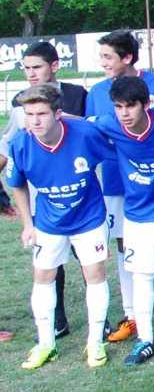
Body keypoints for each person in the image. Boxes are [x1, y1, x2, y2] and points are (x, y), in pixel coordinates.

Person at [8, 84, 114, 369]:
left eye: (41, 114)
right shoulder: (20, 143)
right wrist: (27, 224)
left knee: (95, 274)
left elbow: (117, 150)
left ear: (58, 114)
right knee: (42, 276)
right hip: (49, 221)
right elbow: (17, 184)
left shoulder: (85, 134)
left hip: (89, 217)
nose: (35, 121)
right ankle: (46, 344)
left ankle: (95, 342)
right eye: (30, 114)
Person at [92, 76, 154, 365]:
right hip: (137, 215)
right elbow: (80, 123)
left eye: (130, 106)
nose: (124, 113)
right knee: (141, 276)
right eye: (118, 107)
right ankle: (145, 340)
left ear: (147, 104)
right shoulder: (109, 123)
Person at [0, 41, 89, 340]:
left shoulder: (77, 94)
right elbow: (8, 147)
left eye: (36, 66)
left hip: (81, 197)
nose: (31, 73)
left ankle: (99, 321)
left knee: (88, 260)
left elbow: (93, 130)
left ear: (54, 65)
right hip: (43, 200)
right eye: (26, 68)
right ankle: (57, 320)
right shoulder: (20, 104)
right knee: (50, 262)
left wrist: (66, 118)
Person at [86, 30, 154, 344]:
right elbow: (92, 135)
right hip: (116, 182)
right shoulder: (96, 91)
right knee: (124, 245)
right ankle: (132, 315)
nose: (102, 63)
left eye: (108, 57)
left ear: (128, 57)